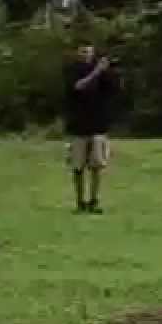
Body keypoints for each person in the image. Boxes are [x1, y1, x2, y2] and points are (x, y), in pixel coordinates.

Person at [64, 44, 117, 214]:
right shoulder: (72, 71)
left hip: (98, 127)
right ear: (77, 53)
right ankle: (79, 202)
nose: (86, 55)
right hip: (78, 128)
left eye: (89, 51)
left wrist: (107, 71)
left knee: (96, 167)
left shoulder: (102, 74)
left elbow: (114, 90)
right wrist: (97, 71)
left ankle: (94, 201)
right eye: (83, 51)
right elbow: (78, 87)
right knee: (78, 167)